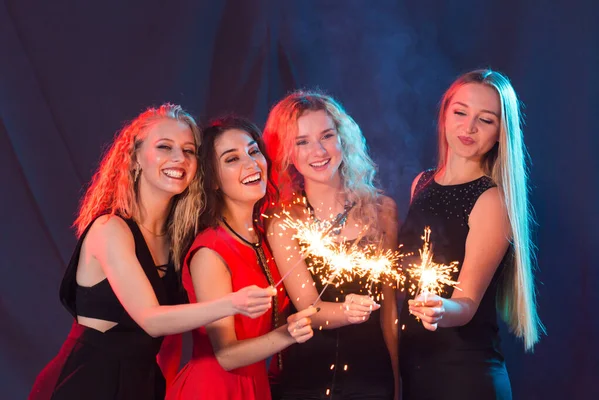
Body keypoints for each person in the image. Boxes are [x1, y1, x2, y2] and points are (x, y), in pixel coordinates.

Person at [29, 104, 275, 400]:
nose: (178, 159)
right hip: (87, 382)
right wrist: (232, 303)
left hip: (143, 385)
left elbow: (167, 341)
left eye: (188, 151)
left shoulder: (177, 240)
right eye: (164, 147)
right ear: (134, 159)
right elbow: (150, 318)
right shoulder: (110, 229)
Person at [397, 69, 545, 399]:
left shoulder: (491, 201)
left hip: (465, 376)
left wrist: (439, 309)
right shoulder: (421, 184)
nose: (469, 127)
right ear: (445, 114)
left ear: (500, 133)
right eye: (460, 112)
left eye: (486, 120)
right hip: (417, 371)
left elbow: (465, 304)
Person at [166, 116, 316, 400]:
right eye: (232, 159)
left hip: (257, 388)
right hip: (215, 390)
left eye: (253, 151)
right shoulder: (210, 251)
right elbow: (226, 355)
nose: (251, 164)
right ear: (213, 180)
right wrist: (288, 334)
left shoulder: (263, 236)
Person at [263, 90, 398, 400]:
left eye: (327, 136)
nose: (318, 151)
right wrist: (348, 310)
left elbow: (390, 307)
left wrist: (396, 378)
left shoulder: (382, 211)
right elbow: (309, 309)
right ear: (288, 153)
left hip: (372, 380)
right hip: (306, 382)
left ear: (343, 139)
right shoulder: (285, 222)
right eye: (302, 142)